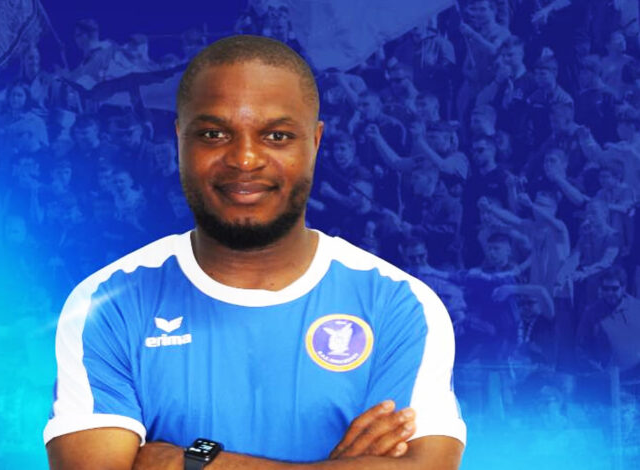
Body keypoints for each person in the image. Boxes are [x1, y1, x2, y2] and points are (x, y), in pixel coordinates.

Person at [45, 35, 465, 469]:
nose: (245, 159)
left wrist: (191, 461)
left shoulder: (399, 305)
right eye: (214, 134)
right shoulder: (107, 303)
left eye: (277, 136)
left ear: (315, 142)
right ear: (180, 139)